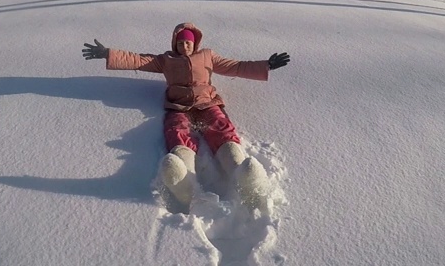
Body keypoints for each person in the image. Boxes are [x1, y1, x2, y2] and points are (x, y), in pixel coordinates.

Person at [82, 22, 289, 209]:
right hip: (177, 105)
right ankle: (184, 182)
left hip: (207, 102)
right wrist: (108, 53)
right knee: (177, 130)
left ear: (195, 43)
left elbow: (234, 66)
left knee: (220, 126)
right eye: (180, 42)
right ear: (175, 43)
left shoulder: (207, 56)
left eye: (188, 42)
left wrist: (265, 65)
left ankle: (242, 174)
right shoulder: (166, 60)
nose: (184, 46)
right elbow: (137, 60)